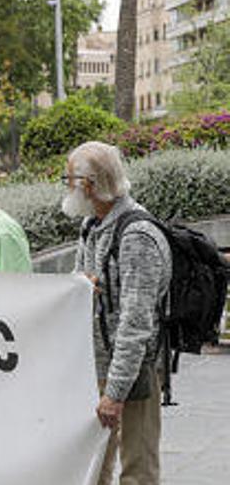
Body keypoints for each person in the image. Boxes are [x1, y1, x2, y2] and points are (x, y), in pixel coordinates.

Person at [63, 141, 171, 485]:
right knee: (93, 467)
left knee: (137, 470)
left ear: (88, 185)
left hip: (134, 370)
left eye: (68, 179)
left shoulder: (137, 235)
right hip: (97, 366)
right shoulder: (93, 225)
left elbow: (136, 323)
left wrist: (115, 392)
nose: (66, 187)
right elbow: (82, 283)